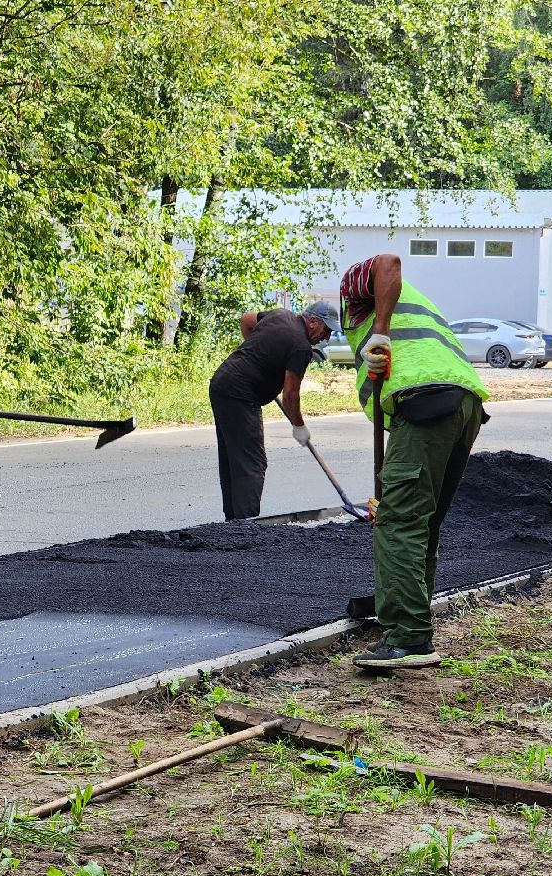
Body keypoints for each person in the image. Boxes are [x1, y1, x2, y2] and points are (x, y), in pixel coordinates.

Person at [339, 254, 490, 669]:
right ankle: (410, 616)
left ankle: (407, 638)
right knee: (420, 521)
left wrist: (380, 334)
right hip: (460, 405)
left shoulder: (358, 297)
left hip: (425, 402)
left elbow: (387, 261)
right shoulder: (408, 314)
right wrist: (391, 488)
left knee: (400, 523)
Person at [209, 301, 340, 519]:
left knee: (233, 458)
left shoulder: (280, 315)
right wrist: (299, 426)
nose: (326, 338)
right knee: (252, 463)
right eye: (326, 330)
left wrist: (259, 355)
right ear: (313, 322)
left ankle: (232, 524)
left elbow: (246, 319)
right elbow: (290, 395)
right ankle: (246, 526)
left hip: (222, 383)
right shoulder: (301, 347)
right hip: (240, 393)